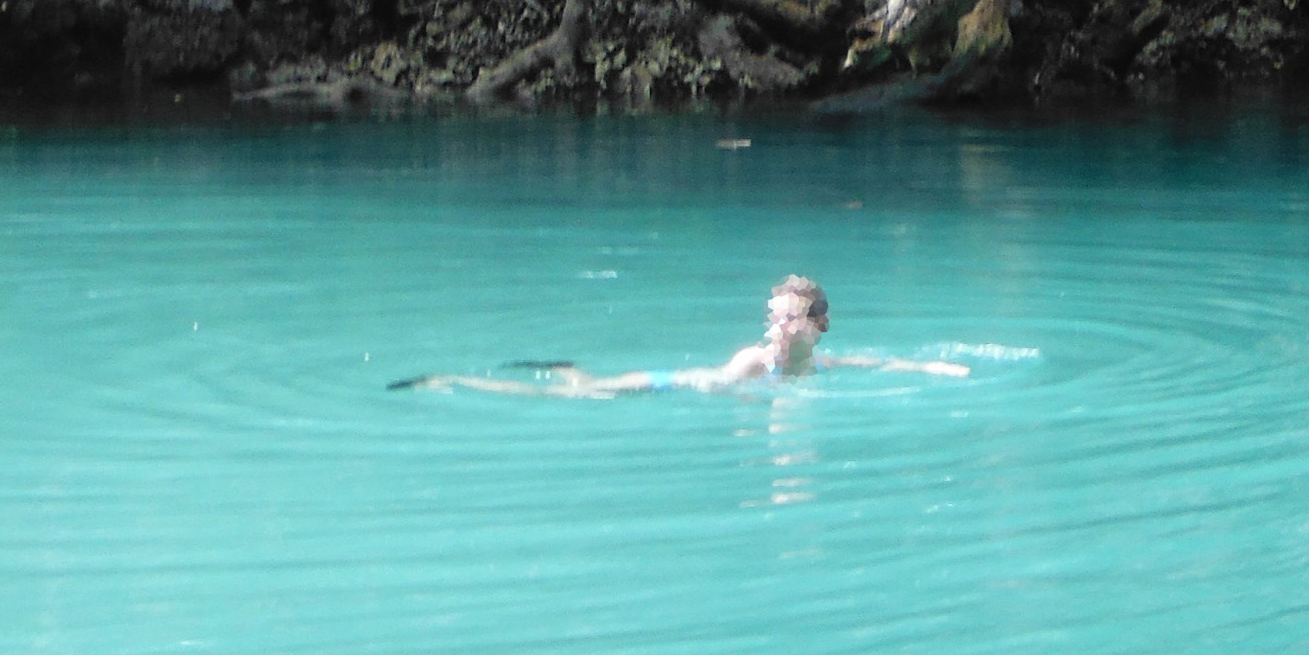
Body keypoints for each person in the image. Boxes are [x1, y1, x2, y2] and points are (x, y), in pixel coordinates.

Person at [394, 275, 968, 395]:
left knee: (584, 384)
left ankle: (571, 366)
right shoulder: (756, 362)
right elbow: (723, 391)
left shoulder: (820, 365)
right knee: (578, 395)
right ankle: (449, 379)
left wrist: (935, 369)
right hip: (665, 384)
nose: (779, 325)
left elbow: (883, 365)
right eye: (776, 316)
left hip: (682, 384)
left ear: (818, 327)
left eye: (791, 317)